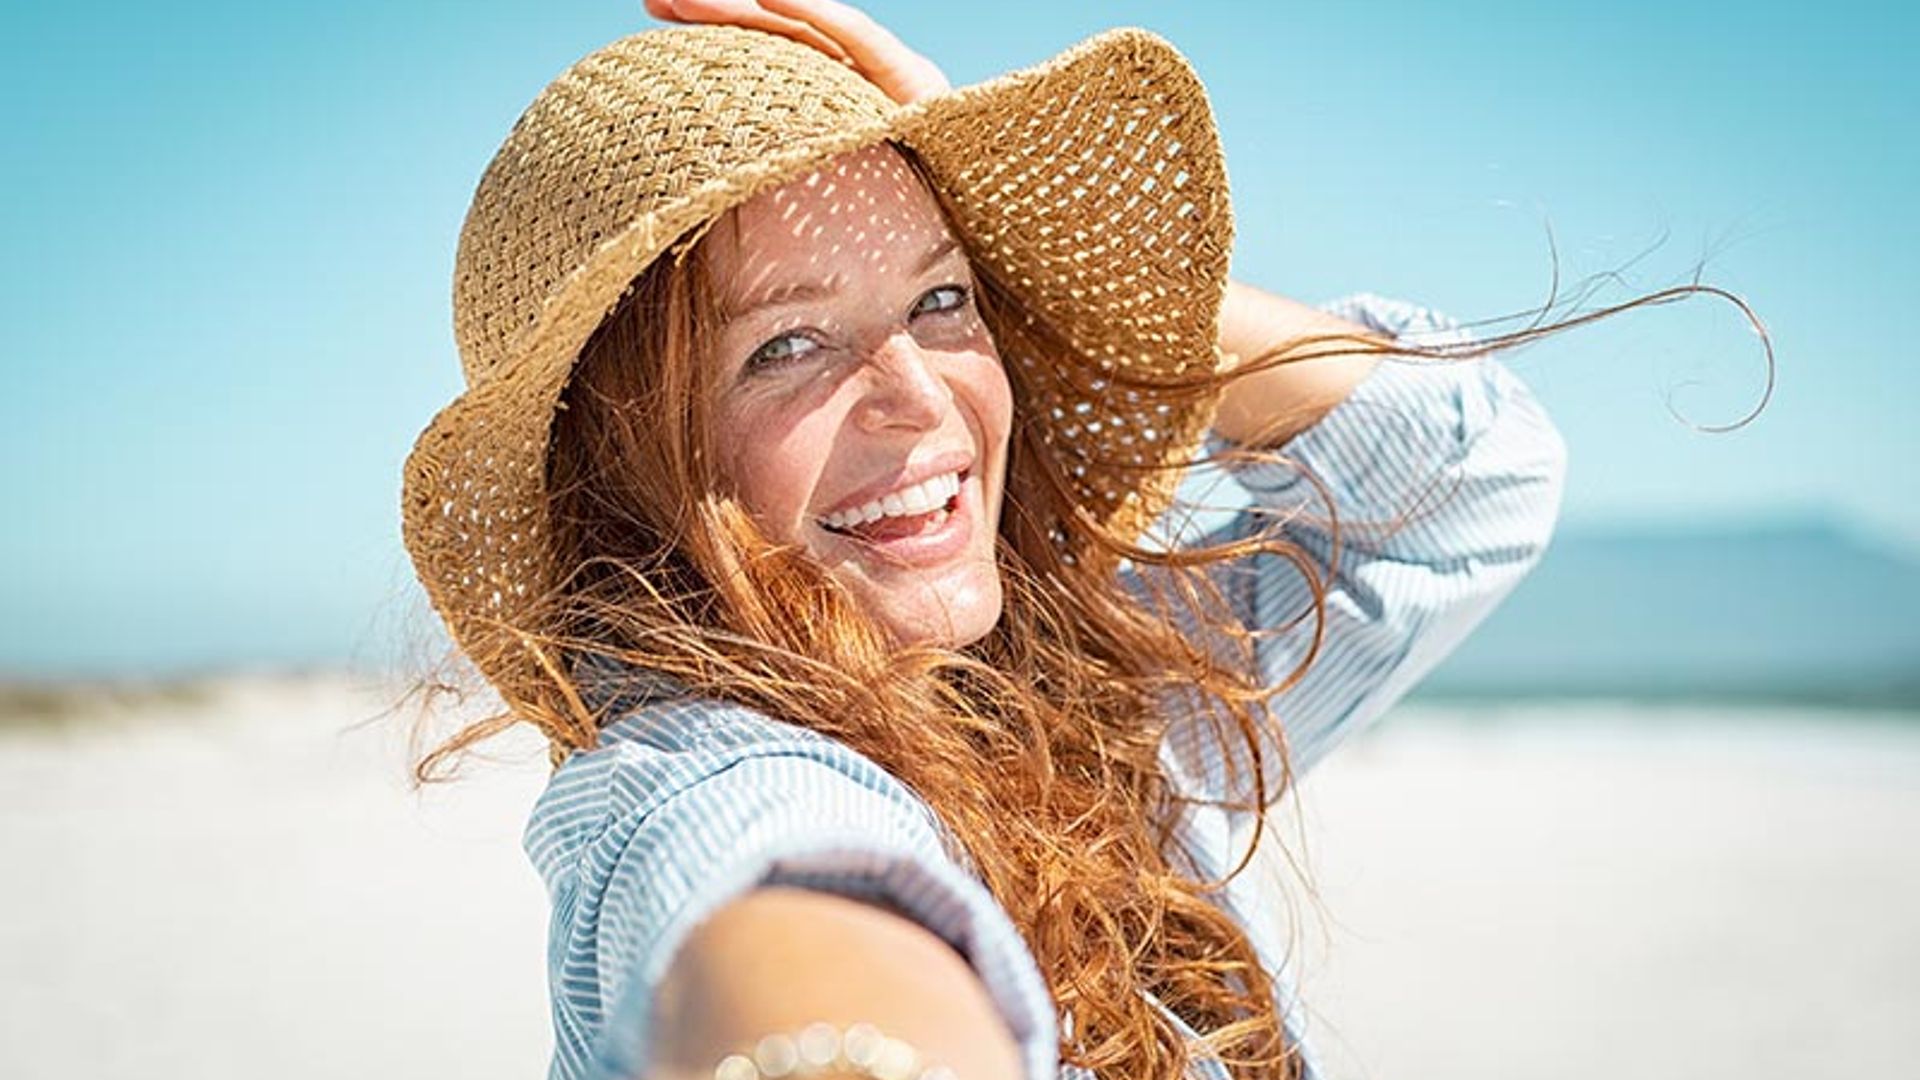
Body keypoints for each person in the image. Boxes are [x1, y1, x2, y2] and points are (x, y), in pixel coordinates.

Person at [400, 3, 1582, 1079]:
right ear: (629, 467)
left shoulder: (1099, 709)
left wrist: (1029, 242)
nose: (919, 396)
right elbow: (782, 901)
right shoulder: (699, 776)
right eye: (786, 346)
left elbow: (1465, 470)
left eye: (943, 300)